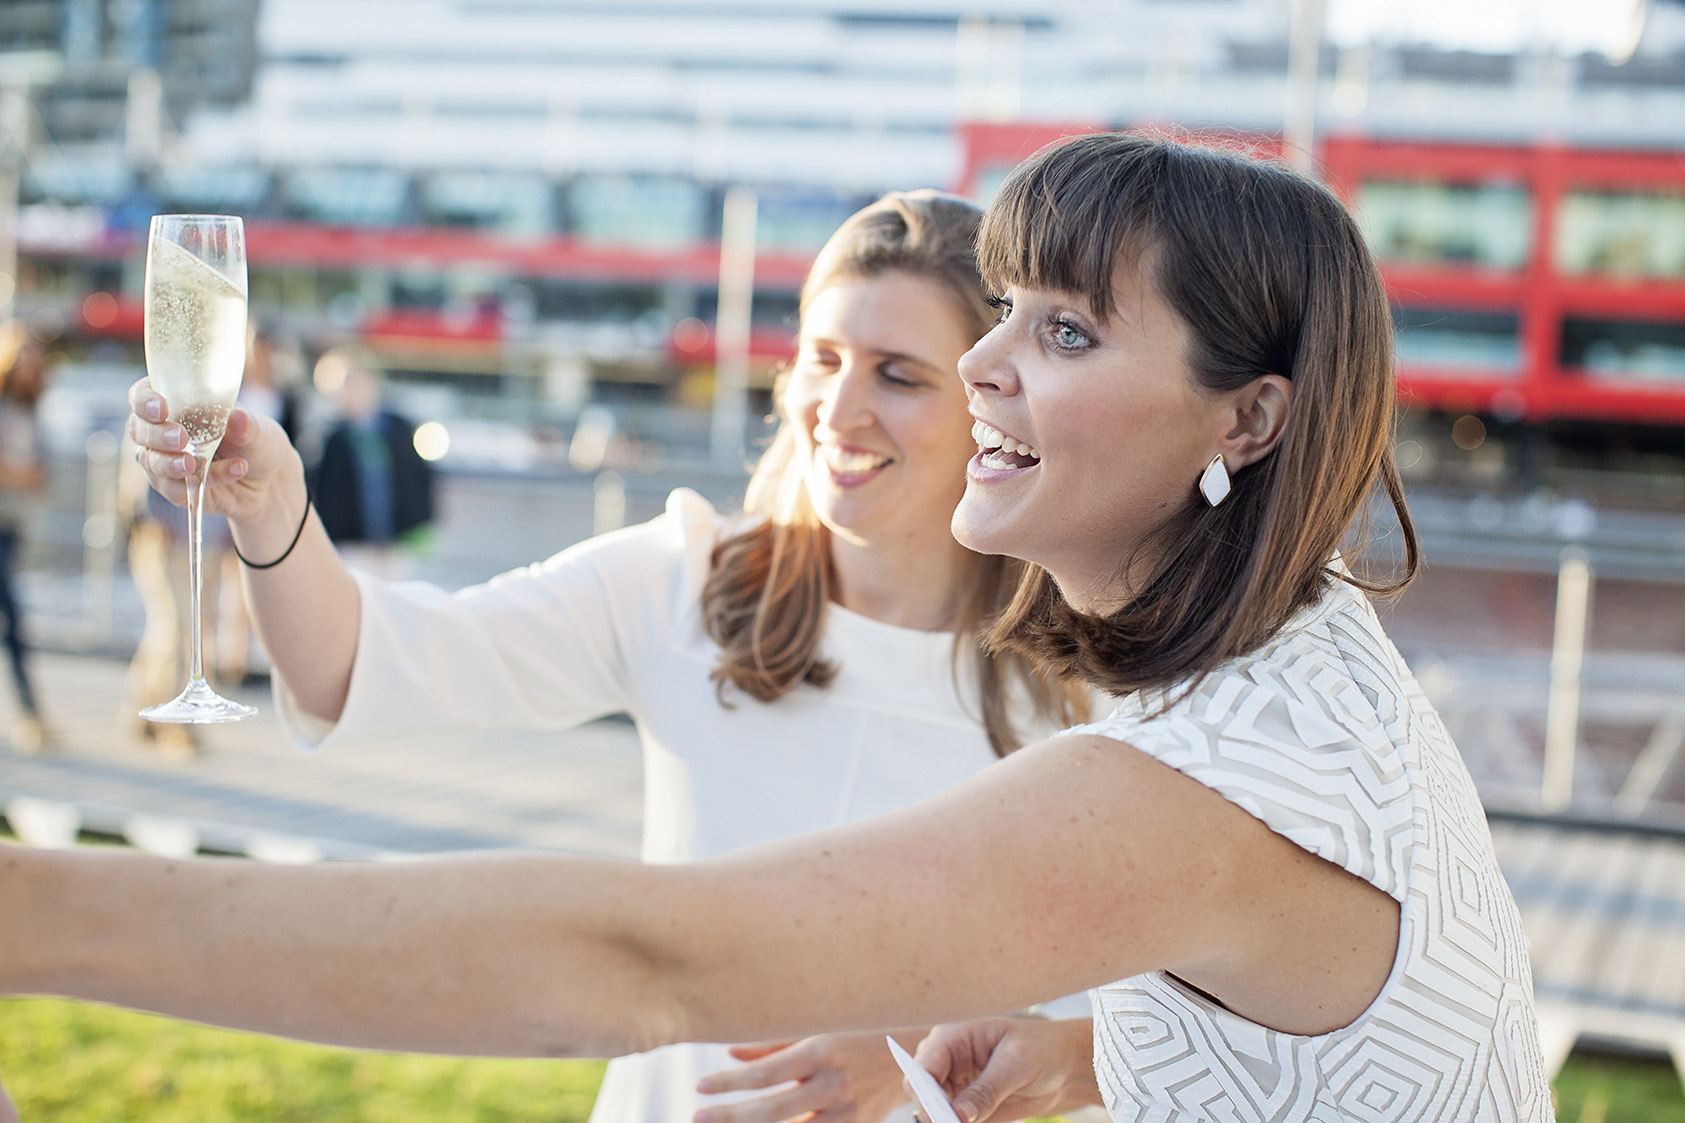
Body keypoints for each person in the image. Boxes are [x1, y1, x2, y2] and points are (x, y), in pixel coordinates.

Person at [1, 134, 1550, 1123]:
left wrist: (31, 912)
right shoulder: (1302, 644)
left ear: (1253, 415)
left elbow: (639, 959)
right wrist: (1083, 1054)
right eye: (999, 312)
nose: (988, 369)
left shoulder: (1196, 777)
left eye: (1063, 330)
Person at [123, 190, 1089, 1123]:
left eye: (898, 373)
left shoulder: (1073, 683)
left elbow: (1161, 1002)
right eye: (821, 357)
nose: (837, 409)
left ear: (988, 404)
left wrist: (917, 1052)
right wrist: (270, 502)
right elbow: (359, 665)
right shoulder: (684, 579)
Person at [308, 345, 435, 577]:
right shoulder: (330, 439)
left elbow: (420, 477)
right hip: (352, 545)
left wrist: (419, 522)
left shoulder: (398, 427)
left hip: (398, 542)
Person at [0, 324, 52, 753]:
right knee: (13, 622)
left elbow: (41, 476)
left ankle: (30, 715)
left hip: (12, 528)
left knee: (14, 623)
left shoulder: (32, 412)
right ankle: (30, 715)